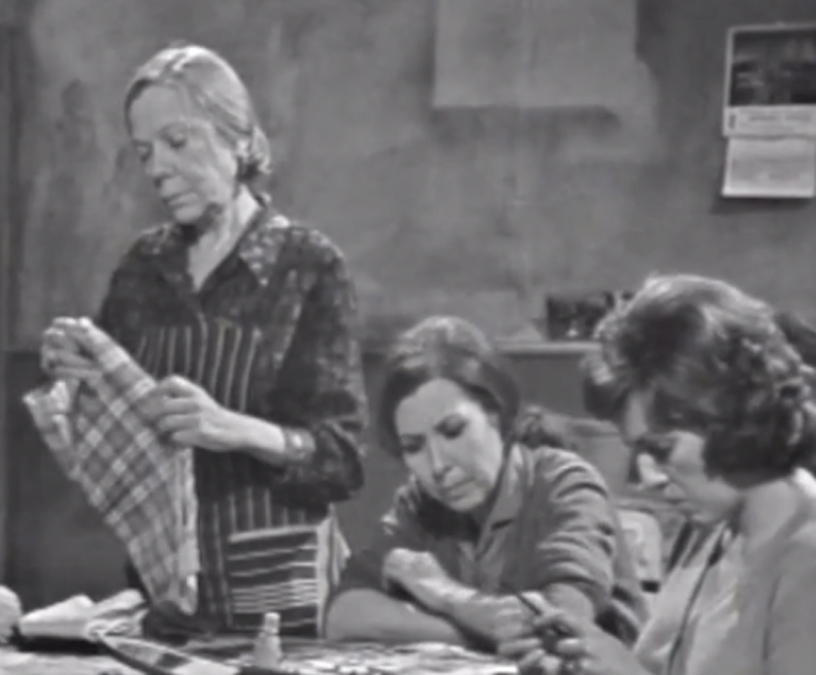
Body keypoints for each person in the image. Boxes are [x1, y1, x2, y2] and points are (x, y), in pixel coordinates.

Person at [38, 42, 368, 637]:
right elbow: (113, 423)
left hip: (279, 599)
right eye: (145, 152)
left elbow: (341, 460)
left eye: (177, 141)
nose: (157, 168)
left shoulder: (307, 266)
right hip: (167, 595)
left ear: (239, 140)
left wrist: (231, 428)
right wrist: (75, 372)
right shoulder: (144, 268)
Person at [502, 274, 816, 675]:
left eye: (661, 449)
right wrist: (583, 660)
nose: (649, 478)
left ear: (730, 414)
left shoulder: (806, 559)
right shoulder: (709, 530)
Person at [325, 316, 645, 650]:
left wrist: (442, 593)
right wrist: (478, 631)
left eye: (453, 431)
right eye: (413, 447)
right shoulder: (419, 505)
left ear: (496, 413)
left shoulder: (565, 484)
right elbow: (343, 615)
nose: (438, 466)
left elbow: (558, 625)